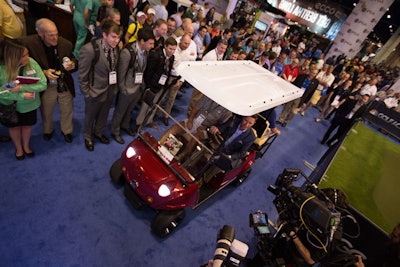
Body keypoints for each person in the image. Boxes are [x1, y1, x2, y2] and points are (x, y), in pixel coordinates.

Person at [22, 18, 77, 143]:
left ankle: (67, 131)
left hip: (63, 82)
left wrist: (73, 64)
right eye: (51, 35)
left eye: (56, 34)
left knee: (67, 108)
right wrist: (43, 72)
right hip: (46, 84)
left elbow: (74, 59)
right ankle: (48, 130)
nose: (55, 38)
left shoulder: (66, 44)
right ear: (40, 34)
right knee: (46, 110)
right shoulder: (29, 45)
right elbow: (26, 65)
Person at [78, 20, 122, 151]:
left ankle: (98, 132)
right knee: (90, 116)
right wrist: (87, 93)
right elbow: (82, 75)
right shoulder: (90, 49)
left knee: (104, 114)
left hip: (110, 90)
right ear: (104, 35)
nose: (116, 40)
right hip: (94, 91)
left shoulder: (116, 49)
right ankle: (88, 136)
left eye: (118, 37)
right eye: (113, 37)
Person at [0, 39, 47, 160]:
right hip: (9, 106)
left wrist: (22, 87)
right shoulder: (2, 70)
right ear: (12, 57)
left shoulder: (31, 62)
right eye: (23, 56)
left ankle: (26, 146)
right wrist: (21, 95)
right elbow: (1, 92)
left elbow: (43, 84)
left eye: (27, 54)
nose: (27, 58)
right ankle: (19, 148)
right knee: (14, 127)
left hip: (29, 105)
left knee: (27, 126)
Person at [110, 29, 154, 144]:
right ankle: (115, 131)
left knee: (129, 110)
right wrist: (123, 89)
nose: (152, 46)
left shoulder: (145, 52)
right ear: (142, 41)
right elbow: (121, 73)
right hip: (127, 89)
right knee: (120, 111)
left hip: (137, 88)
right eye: (150, 43)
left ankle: (125, 125)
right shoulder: (127, 52)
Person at [159, 95, 232, 161]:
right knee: (175, 127)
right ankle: (159, 144)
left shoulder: (227, 111)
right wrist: (190, 120)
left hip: (205, 129)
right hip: (195, 120)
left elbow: (219, 126)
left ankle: (180, 157)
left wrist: (206, 128)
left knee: (195, 138)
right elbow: (196, 108)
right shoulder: (208, 96)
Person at [135, 37, 177, 130]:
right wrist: (148, 86)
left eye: (174, 49)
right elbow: (149, 72)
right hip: (152, 85)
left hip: (162, 85)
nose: (172, 51)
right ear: (165, 46)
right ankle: (139, 123)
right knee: (145, 105)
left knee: (155, 105)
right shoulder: (156, 55)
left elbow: (168, 70)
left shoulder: (172, 57)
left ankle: (149, 121)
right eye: (170, 49)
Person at [204, 115, 257, 182]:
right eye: (245, 120)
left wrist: (230, 156)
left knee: (219, 161)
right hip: (217, 144)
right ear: (242, 118)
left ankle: (204, 181)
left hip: (227, 154)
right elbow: (221, 128)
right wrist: (217, 129)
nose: (246, 124)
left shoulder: (251, 137)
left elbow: (242, 153)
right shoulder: (233, 121)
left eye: (250, 123)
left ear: (253, 124)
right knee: (202, 149)